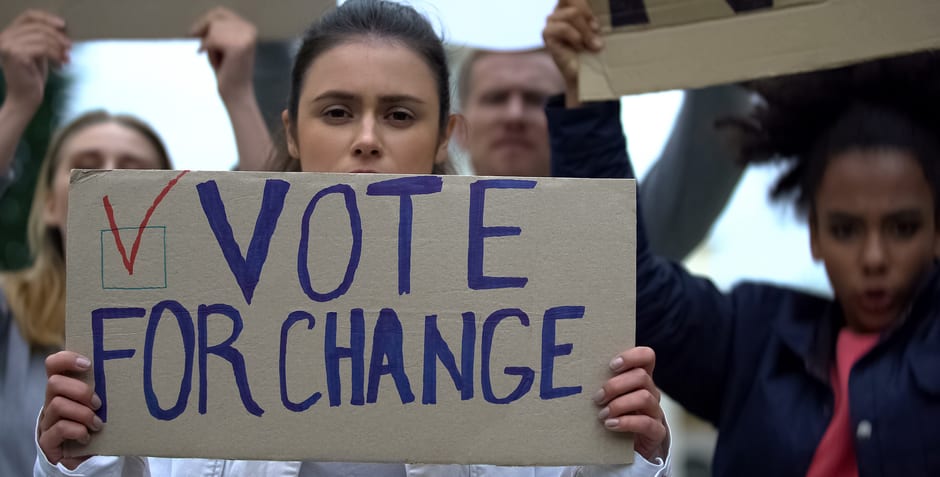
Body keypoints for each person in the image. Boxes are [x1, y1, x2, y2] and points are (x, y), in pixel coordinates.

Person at [35, 1, 671, 476]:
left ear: (444, 136)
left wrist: (630, 451)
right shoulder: (195, 317)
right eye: (337, 112)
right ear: (291, 131)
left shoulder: (527, 327)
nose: (367, 137)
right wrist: (72, 456)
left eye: (399, 114)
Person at [543, 1, 940, 475]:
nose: (874, 257)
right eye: (845, 229)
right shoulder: (750, 339)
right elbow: (624, 283)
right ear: (813, 234)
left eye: (902, 228)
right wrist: (585, 102)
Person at [0, 8, 270, 476]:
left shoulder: (202, 323)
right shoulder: (10, 311)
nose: (110, 177)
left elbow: (274, 225)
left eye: (134, 167)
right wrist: (18, 103)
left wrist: (239, 94)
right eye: (86, 163)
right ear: (47, 204)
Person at [456, 47, 748, 261]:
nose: (514, 114)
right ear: (456, 129)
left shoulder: (627, 239)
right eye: (496, 98)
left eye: (536, 99)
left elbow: (719, 127)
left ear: (569, 119)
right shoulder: (417, 241)